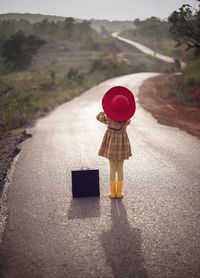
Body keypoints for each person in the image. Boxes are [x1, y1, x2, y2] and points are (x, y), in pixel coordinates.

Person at [96, 86, 136, 198]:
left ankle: (113, 193)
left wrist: (104, 112)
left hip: (111, 146)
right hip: (122, 146)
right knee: (120, 168)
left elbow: (98, 117)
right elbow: (129, 119)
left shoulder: (107, 118)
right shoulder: (126, 120)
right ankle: (119, 192)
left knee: (112, 167)